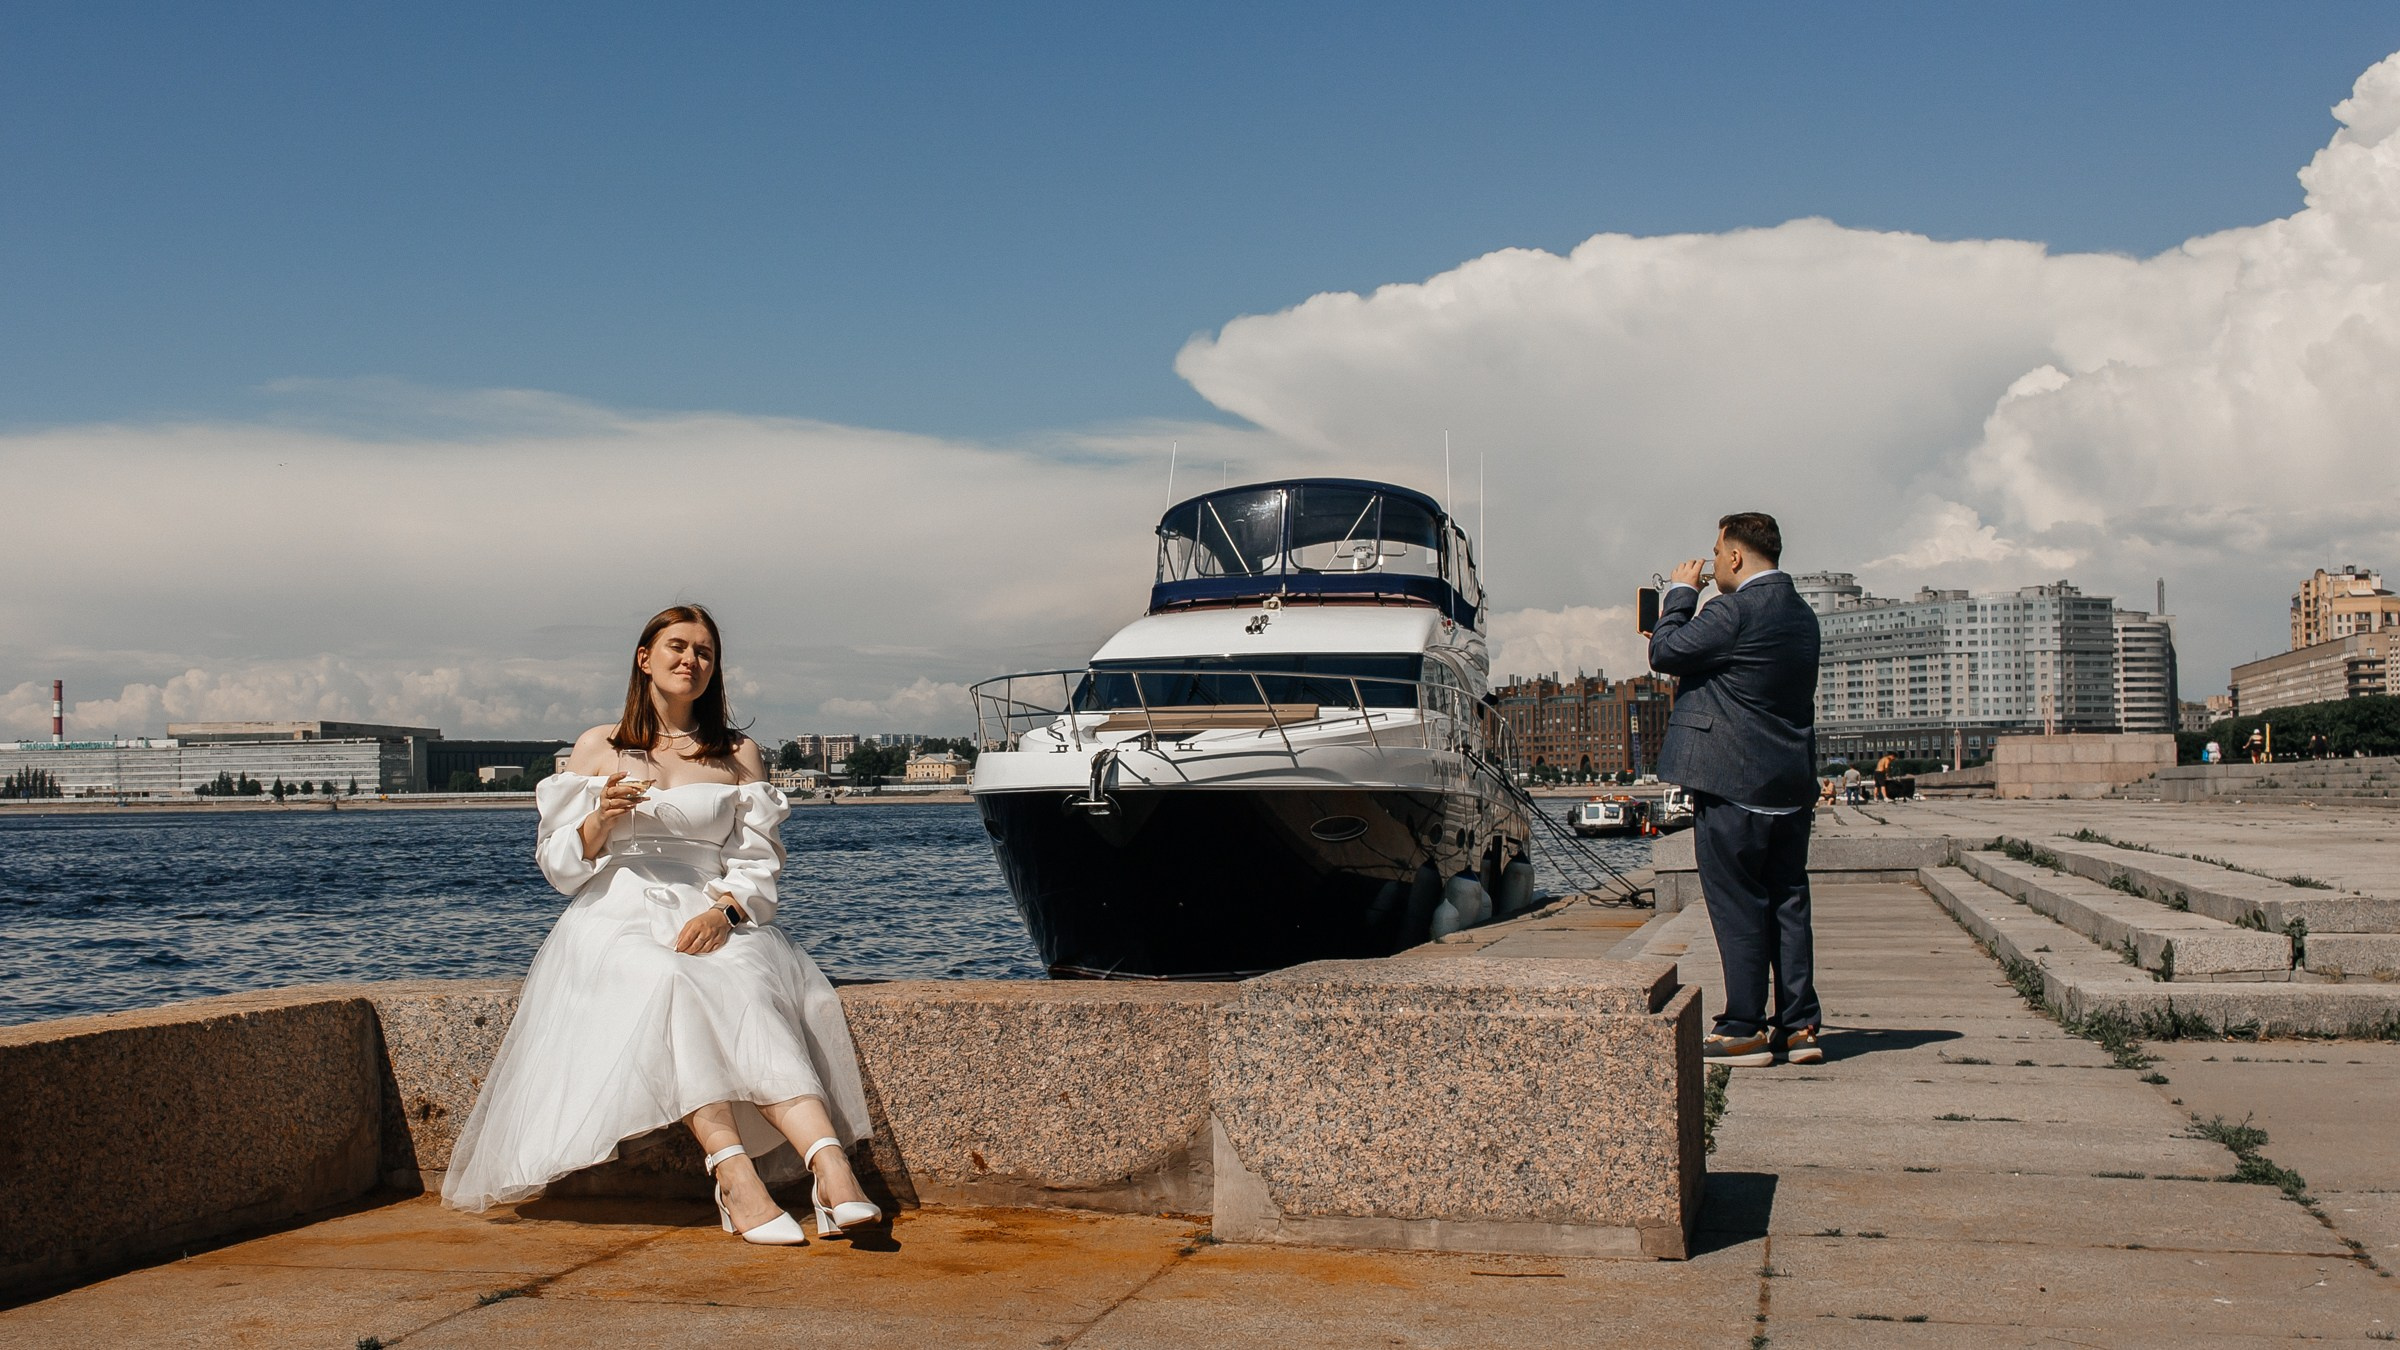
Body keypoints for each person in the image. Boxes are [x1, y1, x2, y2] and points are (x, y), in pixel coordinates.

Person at [442, 605, 883, 1246]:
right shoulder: (599, 746)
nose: (691, 661)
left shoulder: (736, 753)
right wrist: (599, 819)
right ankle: (734, 1175)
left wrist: (724, 912)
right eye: (677, 647)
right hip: (615, 911)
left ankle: (828, 1164)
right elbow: (558, 865)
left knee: (747, 982)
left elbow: (758, 864)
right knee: (667, 978)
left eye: (704, 652)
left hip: (708, 908)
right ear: (644, 658)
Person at [1649, 512, 1823, 1069]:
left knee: (1739, 903)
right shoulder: (1802, 615)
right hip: (1788, 784)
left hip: (1732, 782)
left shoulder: (1734, 609)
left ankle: (1744, 1026)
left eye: (1715, 551)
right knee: (1789, 902)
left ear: (1735, 557)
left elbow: (1665, 652)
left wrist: (1680, 591)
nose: (1713, 561)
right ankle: (1799, 1027)